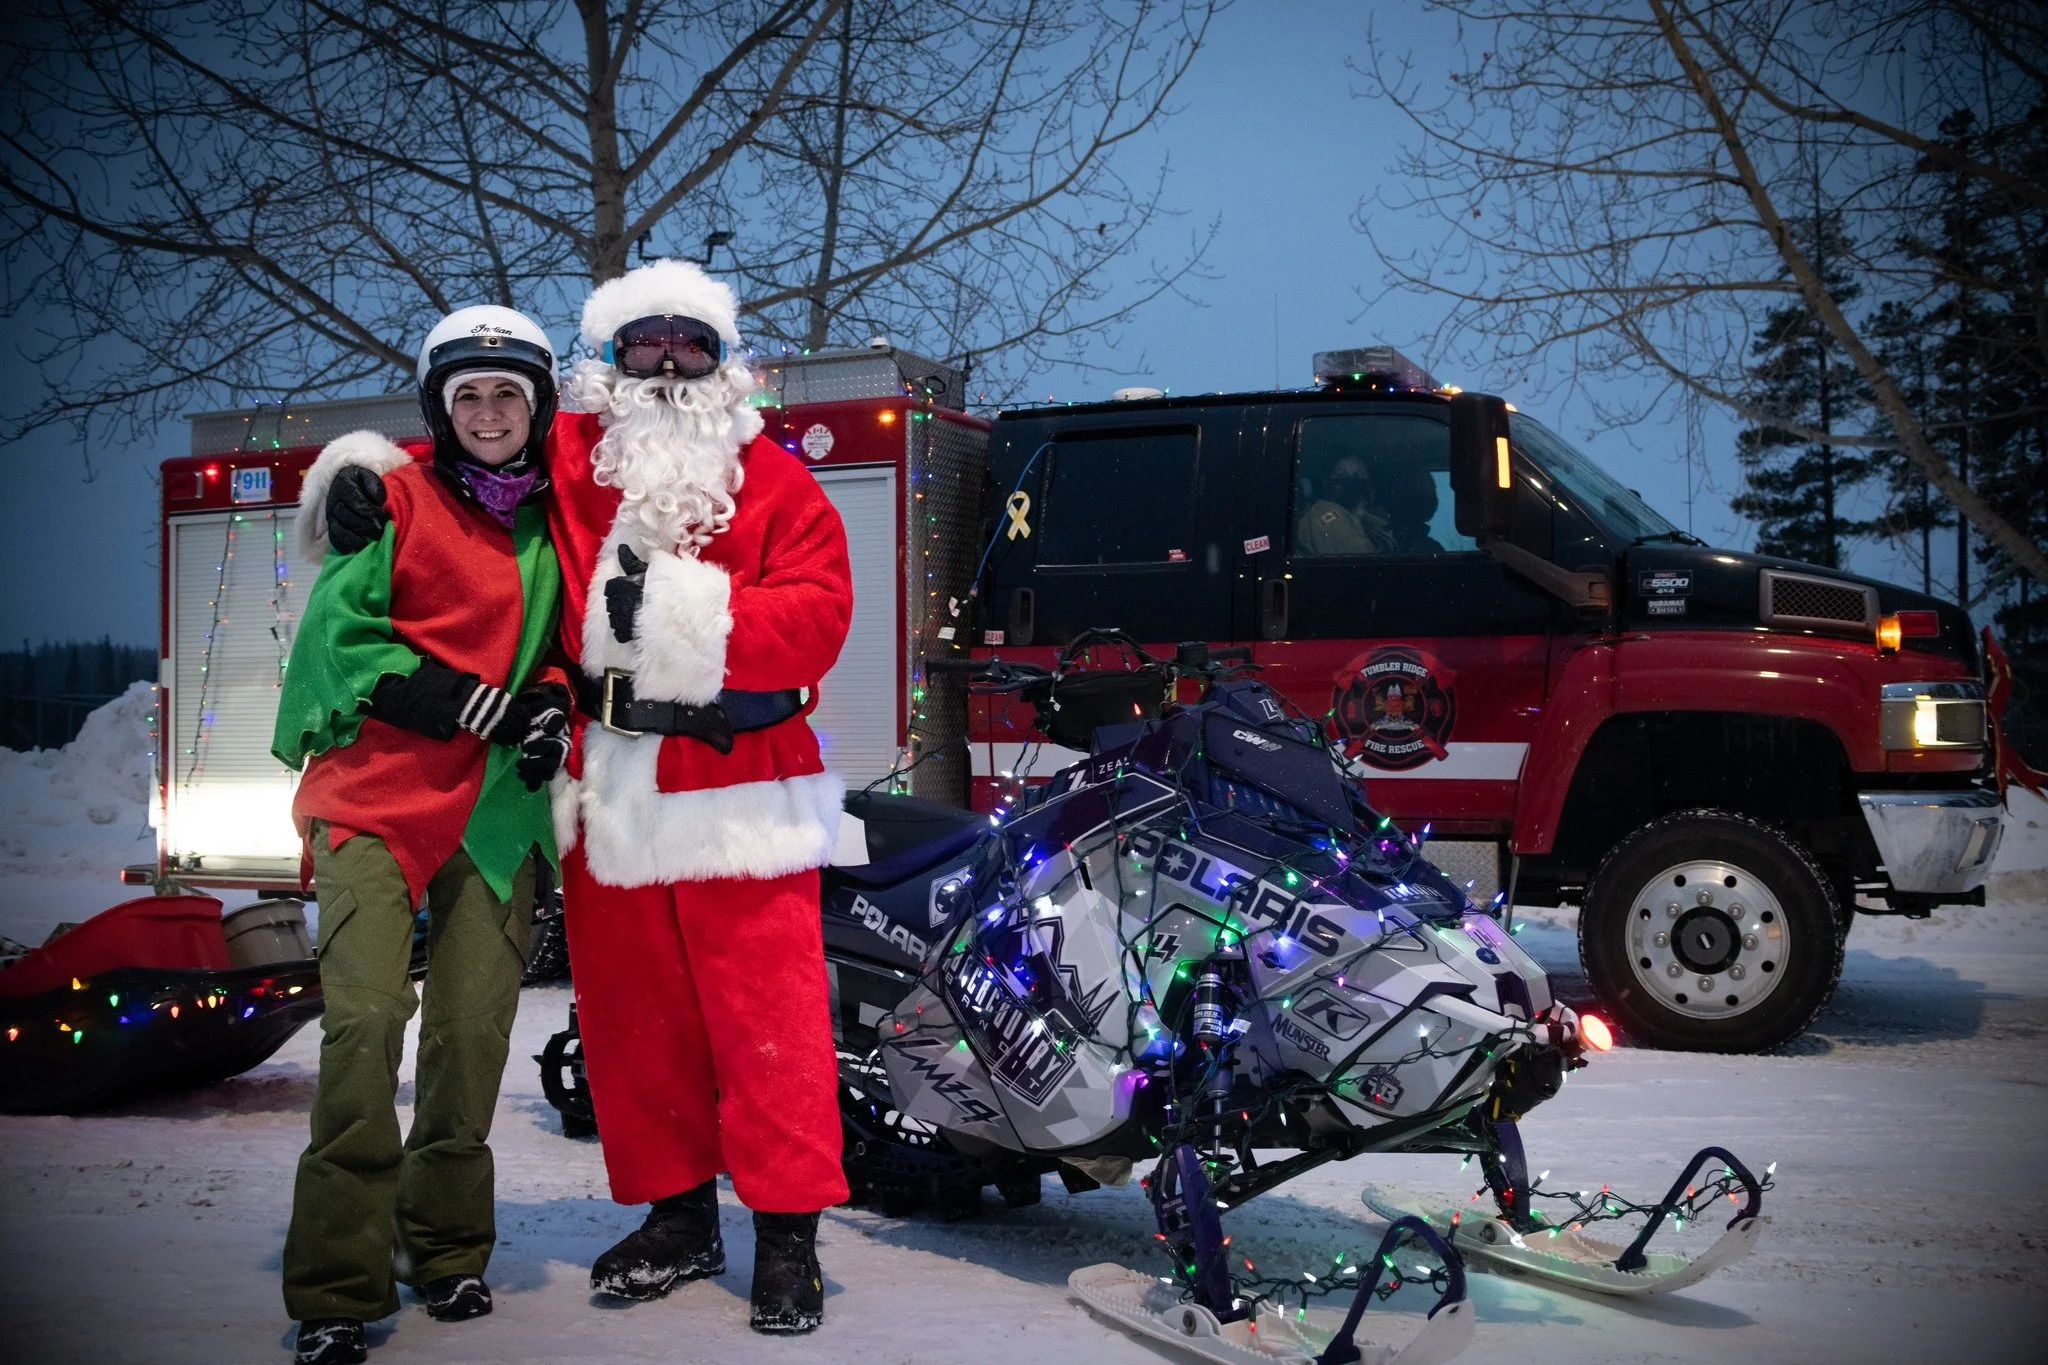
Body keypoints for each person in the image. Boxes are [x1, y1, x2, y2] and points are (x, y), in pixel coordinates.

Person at [326, 261, 854, 1334]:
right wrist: (354, 472)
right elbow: (467, 450)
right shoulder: (574, 455)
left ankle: (788, 1234)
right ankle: (676, 1217)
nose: (665, 364)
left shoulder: (778, 482)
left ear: (723, 363)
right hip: (606, 789)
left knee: (769, 1027)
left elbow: (818, 617)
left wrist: (671, 609)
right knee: (634, 1026)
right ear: (604, 363)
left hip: (738, 785)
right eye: (641, 344)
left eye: (689, 345)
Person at [273, 305, 572, 1365]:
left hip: (491, 814)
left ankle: (443, 1249)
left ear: (534, 410)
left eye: (507, 395)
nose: (489, 412)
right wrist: (444, 695)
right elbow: (336, 640)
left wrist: (542, 705)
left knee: (471, 1037)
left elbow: (558, 646)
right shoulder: (387, 499)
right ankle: (334, 1288)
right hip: (375, 800)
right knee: (362, 1032)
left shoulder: (553, 520)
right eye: (468, 396)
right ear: (440, 411)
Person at [1294, 453, 1397, 556]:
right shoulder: (1326, 514)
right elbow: (1363, 560)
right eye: (1342, 475)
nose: (1351, 480)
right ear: (1327, 483)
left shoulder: (1370, 520)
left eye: (1358, 474)